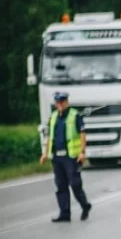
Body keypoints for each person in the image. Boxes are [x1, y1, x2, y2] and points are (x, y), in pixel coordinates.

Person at [39, 92, 92, 222]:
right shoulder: (54, 116)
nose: (60, 104)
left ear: (67, 102)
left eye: (62, 101)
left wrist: (82, 152)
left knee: (75, 184)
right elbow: (49, 137)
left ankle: (85, 205)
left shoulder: (75, 115)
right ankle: (64, 213)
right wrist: (45, 153)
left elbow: (82, 134)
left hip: (71, 157)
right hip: (57, 157)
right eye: (58, 102)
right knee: (61, 185)